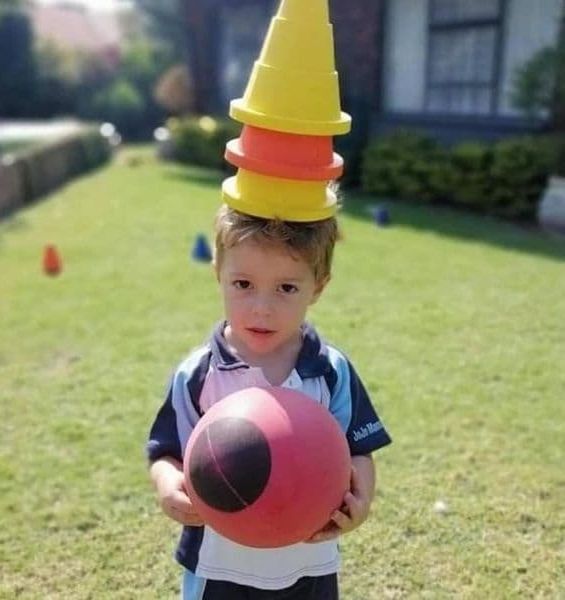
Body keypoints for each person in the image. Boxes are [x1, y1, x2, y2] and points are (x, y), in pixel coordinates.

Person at [146, 204, 391, 600]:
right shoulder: (199, 373)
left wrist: (360, 499)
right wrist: (168, 485)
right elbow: (167, 451)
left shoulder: (331, 370)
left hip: (308, 560)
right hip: (219, 564)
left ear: (319, 286)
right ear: (218, 274)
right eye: (243, 284)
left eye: (286, 288)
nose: (262, 307)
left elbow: (358, 449)